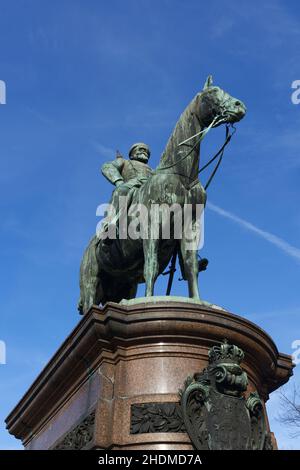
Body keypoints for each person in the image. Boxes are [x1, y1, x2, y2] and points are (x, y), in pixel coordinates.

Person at [99, 143, 153, 242]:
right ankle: (109, 225)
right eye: (141, 149)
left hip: (149, 188)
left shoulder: (153, 171)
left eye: (146, 151)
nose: (144, 152)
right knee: (120, 191)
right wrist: (118, 181)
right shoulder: (124, 162)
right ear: (132, 154)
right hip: (132, 184)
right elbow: (107, 167)